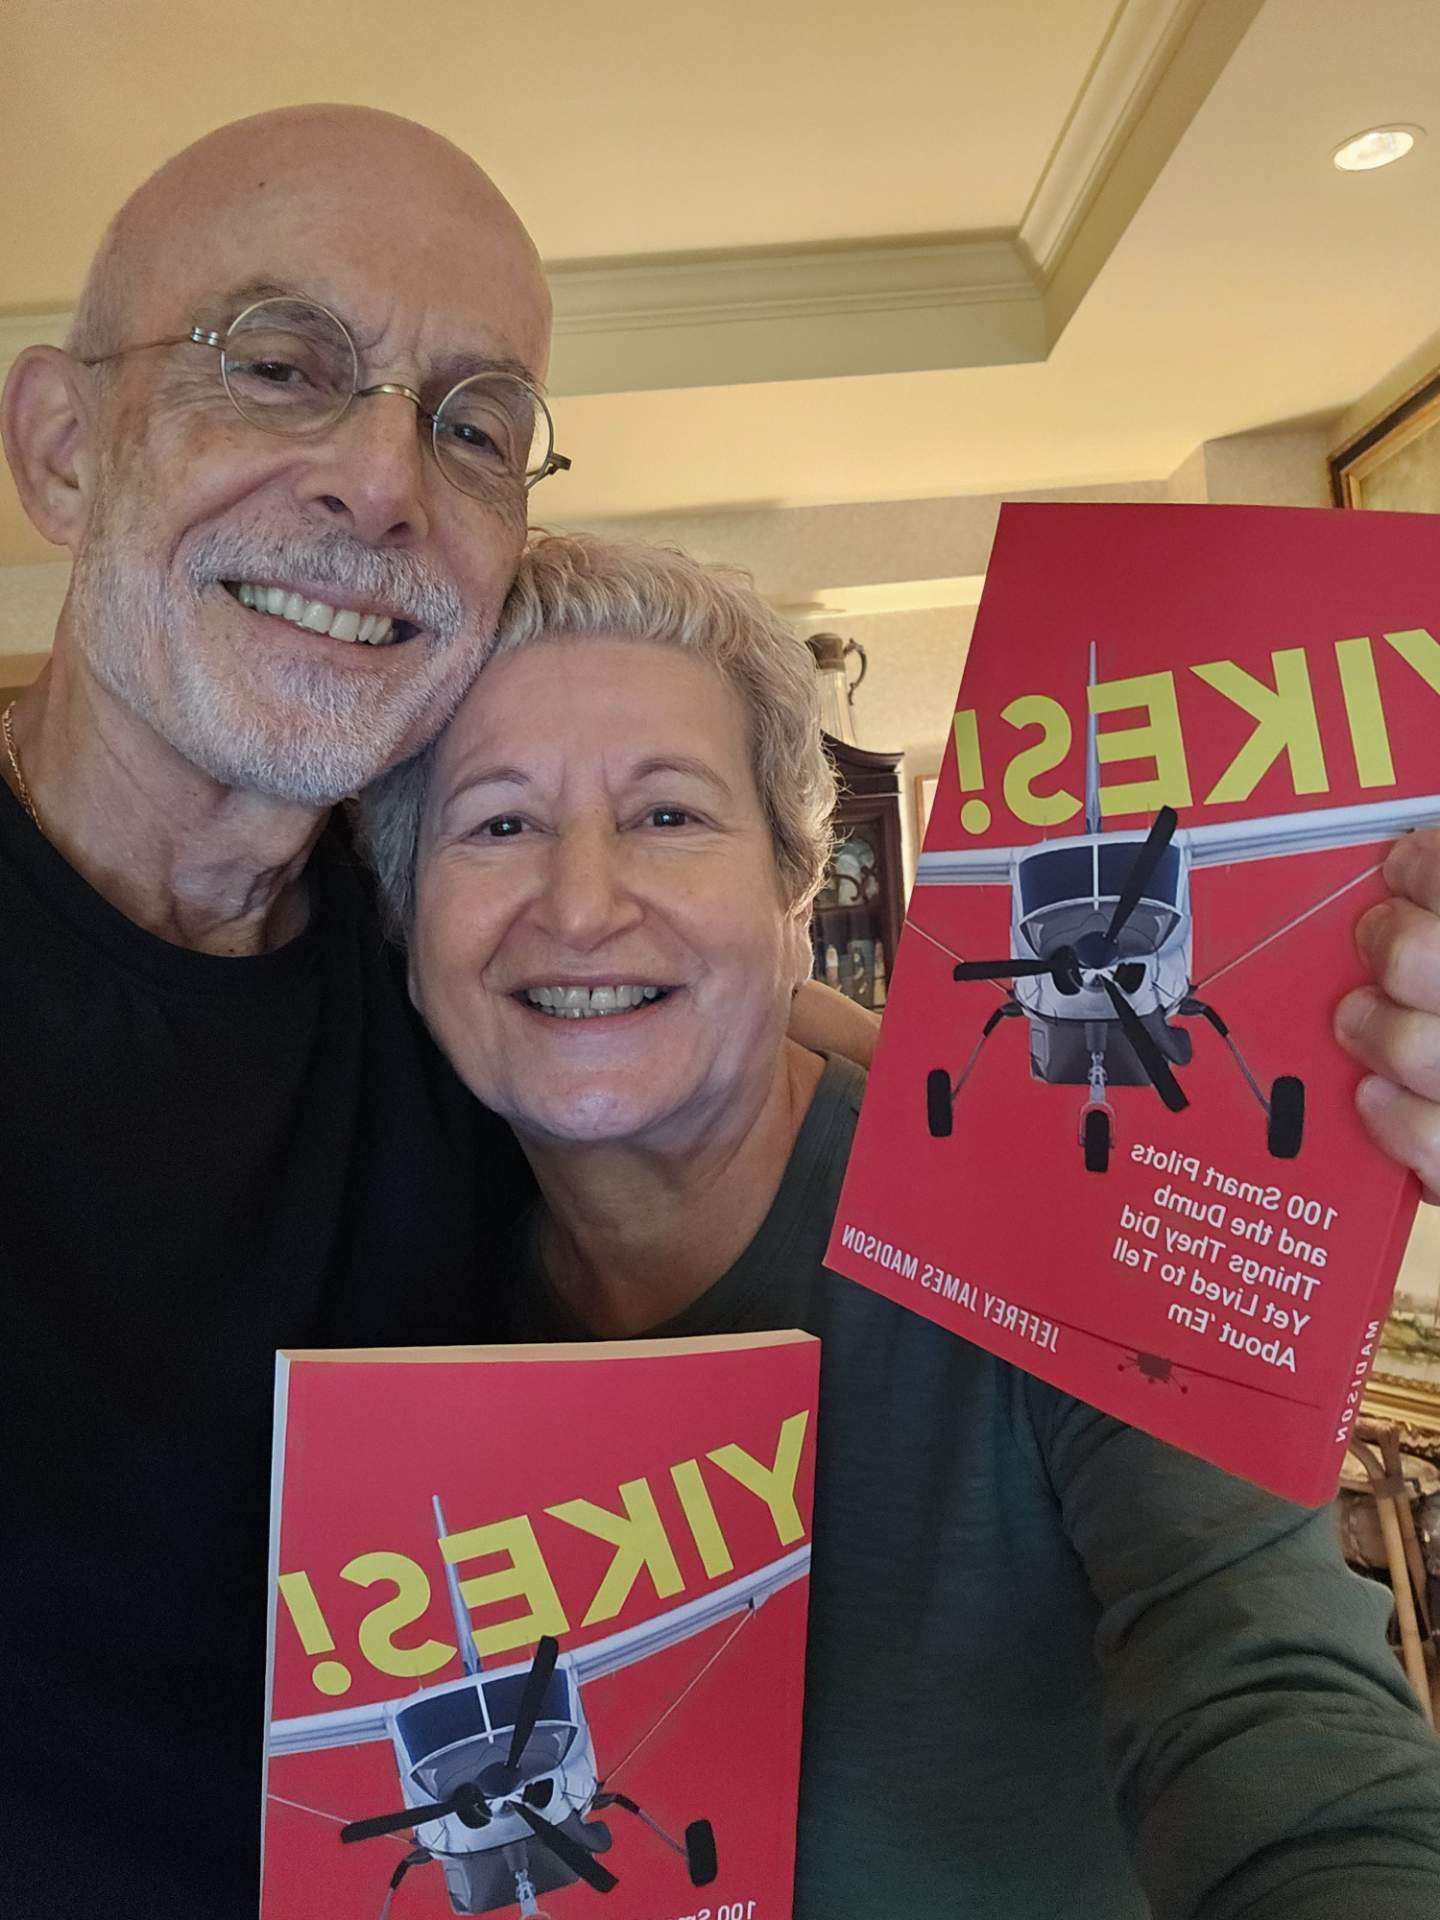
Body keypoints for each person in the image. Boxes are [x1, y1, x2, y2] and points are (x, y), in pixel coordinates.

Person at [0, 106, 1436, 1919]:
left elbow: (1283, 1721)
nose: (379, 479)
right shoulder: (471, 1031)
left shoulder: (507, 1046)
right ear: (60, 446)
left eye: (470, 422)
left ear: (793, 877)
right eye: (279, 365)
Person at [362, 531, 1440, 1920]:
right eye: (497, 823)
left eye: (669, 816)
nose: (580, 902)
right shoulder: (386, 1299)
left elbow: (1281, 1710)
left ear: (794, 889)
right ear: (404, 913)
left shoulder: (1066, 1225)